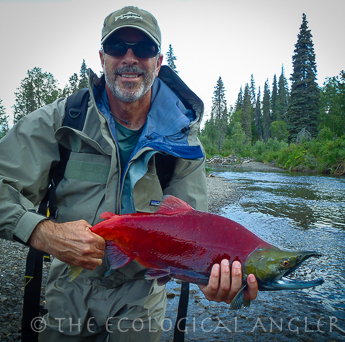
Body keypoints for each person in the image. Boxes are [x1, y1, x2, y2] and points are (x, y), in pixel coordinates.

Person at [0, 6, 258, 341]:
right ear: (102, 57)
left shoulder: (183, 141)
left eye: (144, 49)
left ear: (159, 61)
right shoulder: (60, 121)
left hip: (143, 292)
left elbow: (196, 236)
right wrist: (44, 234)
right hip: (71, 286)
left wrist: (210, 278)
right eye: (118, 47)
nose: (130, 58)